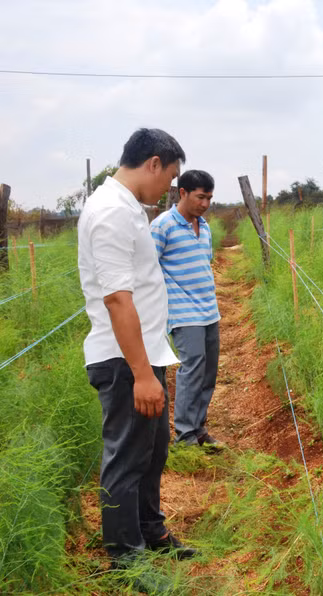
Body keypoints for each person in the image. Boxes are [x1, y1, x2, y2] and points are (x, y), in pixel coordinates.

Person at [78, 129, 197, 586]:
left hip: (143, 357)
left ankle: (151, 531)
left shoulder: (128, 209)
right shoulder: (110, 213)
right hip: (125, 361)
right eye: (170, 177)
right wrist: (142, 374)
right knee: (126, 459)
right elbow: (117, 300)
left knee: (151, 452)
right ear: (153, 163)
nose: (169, 188)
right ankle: (126, 560)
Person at [150, 170, 221, 449]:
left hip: (209, 311)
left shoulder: (204, 227)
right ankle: (185, 436)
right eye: (200, 197)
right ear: (183, 193)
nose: (205, 204)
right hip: (182, 312)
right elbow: (147, 269)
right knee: (192, 369)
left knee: (208, 372)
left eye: (210, 198)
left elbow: (206, 264)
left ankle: (199, 427)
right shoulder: (162, 226)